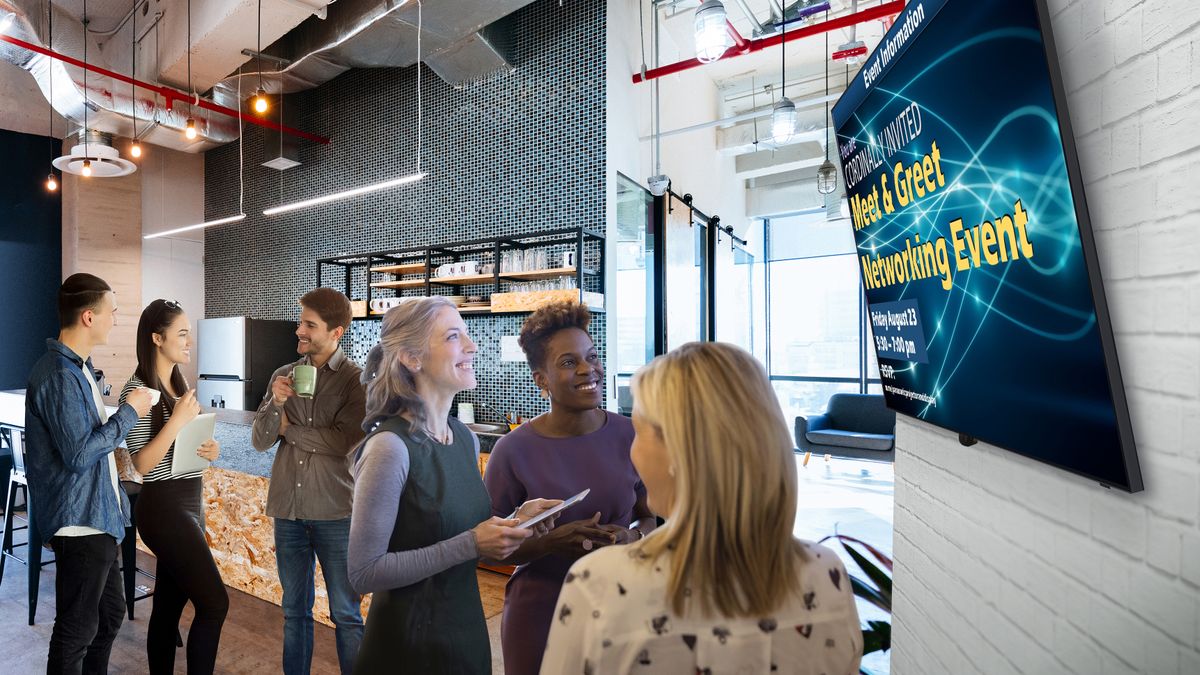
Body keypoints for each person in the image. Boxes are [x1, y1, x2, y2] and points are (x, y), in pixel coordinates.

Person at [540, 342, 863, 674]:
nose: (632, 454)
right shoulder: (826, 574)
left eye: (638, 433)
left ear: (679, 454)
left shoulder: (599, 585)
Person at [347, 296, 559, 674]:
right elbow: (364, 572)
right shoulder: (390, 448)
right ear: (412, 358)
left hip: (465, 640)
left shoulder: (464, 439)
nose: (472, 345)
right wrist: (472, 542)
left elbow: (464, 538)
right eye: (452, 336)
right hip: (407, 651)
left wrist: (515, 522)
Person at [483, 301, 655, 675]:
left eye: (591, 357)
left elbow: (649, 517)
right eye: (567, 362)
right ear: (541, 379)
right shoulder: (512, 449)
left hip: (621, 604)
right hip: (541, 612)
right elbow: (490, 552)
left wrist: (631, 537)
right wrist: (550, 542)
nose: (587, 369)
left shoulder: (631, 434)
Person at [24, 272, 153, 674]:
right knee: (76, 631)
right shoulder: (61, 375)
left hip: (95, 516)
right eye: (111, 311)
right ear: (88, 317)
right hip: (79, 523)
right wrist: (132, 413)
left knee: (110, 616)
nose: (116, 318)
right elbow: (80, 455)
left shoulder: (78, 368)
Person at [251, 288, 367, 675]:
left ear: (337, 332)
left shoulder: (356, 380)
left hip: (336, 512)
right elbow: (260, 440)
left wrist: (292, 430)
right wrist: (276, 406)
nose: (299, 330)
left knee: (347, 613)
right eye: (301, 321)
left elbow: (344, 441)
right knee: (293, 612)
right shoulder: (282, 375)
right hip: (288, 511)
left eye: (309, 325)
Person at [117, 299, 225, 674]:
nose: (189, 340)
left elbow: (177, 448)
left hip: (189, 500)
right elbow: (143, 464)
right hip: (163, 508)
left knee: (167, 606)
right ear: (157, 339)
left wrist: (208, 448)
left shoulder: (178, 383)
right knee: (215, 604)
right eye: (182, 333)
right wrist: (178, 421)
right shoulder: (138, 390)